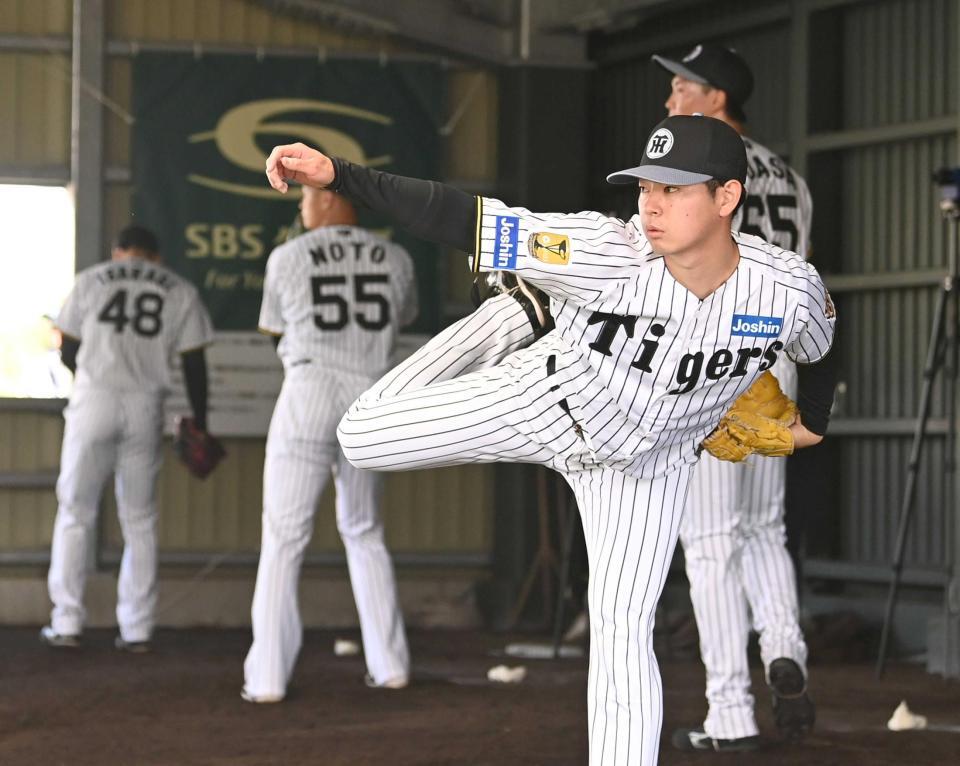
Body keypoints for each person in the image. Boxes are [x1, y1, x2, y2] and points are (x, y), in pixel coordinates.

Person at [264, 114, 838, 766]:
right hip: (548, 401)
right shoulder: (602, 251)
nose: (650, 202)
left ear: (727, 198)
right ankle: (515, 313)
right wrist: (340, 175)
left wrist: (810, 426)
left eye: (673, 189)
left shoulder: (785, 286)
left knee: (625, 633)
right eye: (646, 185)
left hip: (645, 469)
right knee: (362, 435)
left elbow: (820, 347)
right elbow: (459, 216)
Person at [653, 43, 817, 751]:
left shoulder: (701, 166)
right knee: (764, 528)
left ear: (715, 98)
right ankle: (784, 648)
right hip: (778, 354)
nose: (669, 100)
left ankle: (730, 712)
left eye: (681, 87)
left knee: (712, 541)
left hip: (717, 355)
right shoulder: (795, 180)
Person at [242, 186, 418, 702]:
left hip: (310, 389)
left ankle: (268, 679)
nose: (301, 208)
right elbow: (401, 321)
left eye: (305, 199)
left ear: (328, 201)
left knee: (283, 538)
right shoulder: (398, 256)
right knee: (364, 530)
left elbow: (277, 333)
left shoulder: (287, 255)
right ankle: (390, 667)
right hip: (371, 396)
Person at [41, 225, 214, 652]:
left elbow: (67, 348)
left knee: (75, 512)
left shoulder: (92, 278)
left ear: (119, 251)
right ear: (154, 256)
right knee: (139, 518)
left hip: (94, 398)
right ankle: (136, 628)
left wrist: (90, 376)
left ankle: (67, 621)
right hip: (144, 404)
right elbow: (194, 364)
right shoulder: (179, 288)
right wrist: (202, 422)